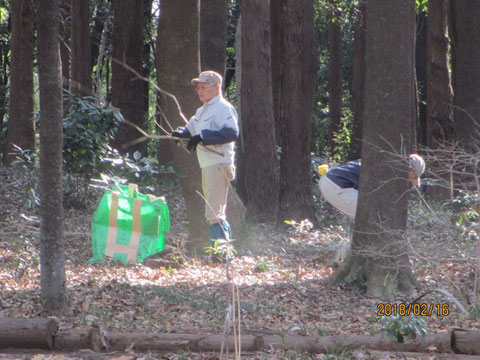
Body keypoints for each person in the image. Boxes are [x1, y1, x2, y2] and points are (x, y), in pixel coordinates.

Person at [170, 71, 239, 247]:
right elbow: (190, 129)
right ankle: (220, 253)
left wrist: (202, 137)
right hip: (208, 165)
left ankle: (221, 254)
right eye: (198, 88)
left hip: (219, 163)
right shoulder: (202, 110)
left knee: (215, 213)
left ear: (216, 88)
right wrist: (181, 133)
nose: (200, 91)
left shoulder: (224, 108)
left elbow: (232, 133)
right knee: (213, 211)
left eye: (204, 87)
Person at [318, 154, 425, 221]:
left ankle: (351, 248)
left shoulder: (388, 163)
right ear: (411, 170)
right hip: (336, 185)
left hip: (332, 182)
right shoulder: (390, 171)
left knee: (361, 216)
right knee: (368, 216)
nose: (411, 180)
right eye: (414, 176)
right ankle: (355, 250)